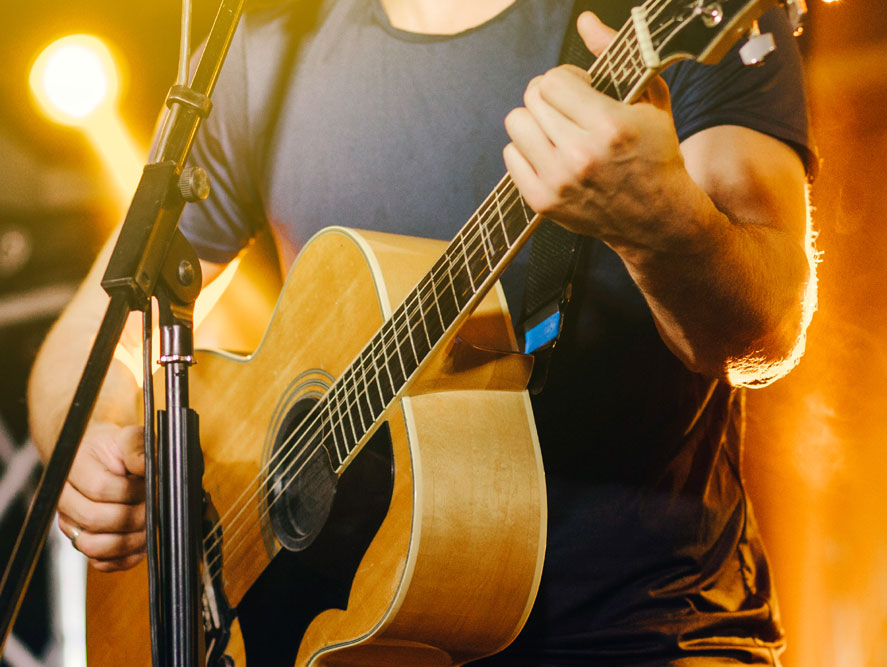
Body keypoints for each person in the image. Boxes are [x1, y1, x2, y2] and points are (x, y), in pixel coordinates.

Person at [28, 0, 817, 663]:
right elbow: (87, 346)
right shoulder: (262, 45)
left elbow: (764, 328)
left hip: (641, 628)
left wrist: (662, 224)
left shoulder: (637, 20)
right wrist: (97, 458)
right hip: (347, 643)